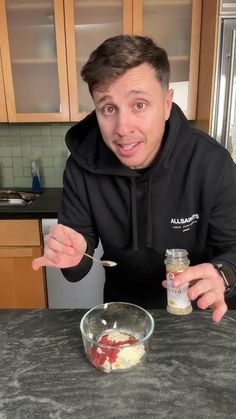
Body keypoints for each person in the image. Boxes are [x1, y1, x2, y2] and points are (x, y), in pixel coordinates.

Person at [32, 35, 236, 322]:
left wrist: (224, 275)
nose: (122, 128)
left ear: (166, 105)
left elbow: (233, 248)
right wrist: (72, 255)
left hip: (198, 310)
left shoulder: (211, 162)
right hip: (123, 312)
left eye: (139, 104)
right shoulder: (82, 165)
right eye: (109, 108)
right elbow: (76, 267)